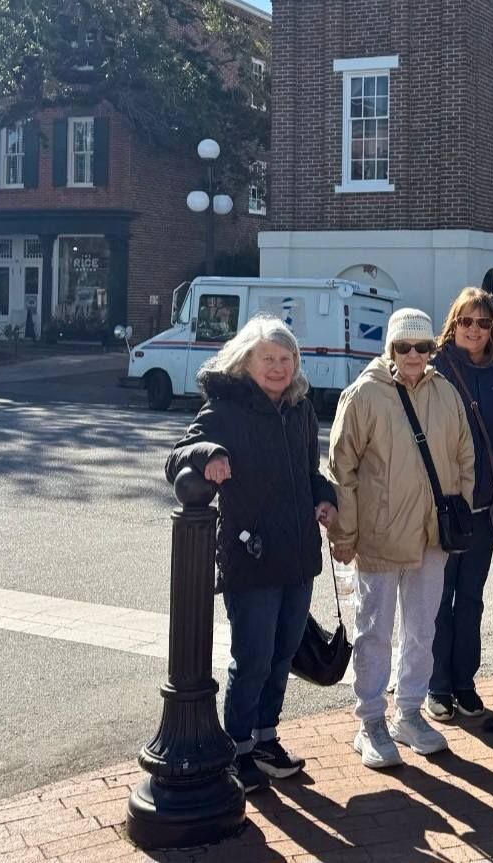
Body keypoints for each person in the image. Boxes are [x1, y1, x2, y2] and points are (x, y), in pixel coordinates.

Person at [165, 314, 337, 793]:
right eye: (268, 359)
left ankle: (266, 738)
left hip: (299, 555)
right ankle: (236, 747)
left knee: (283, 654)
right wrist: (209, 454)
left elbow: (309, 473)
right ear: (247, 361)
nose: (278, 368)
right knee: (253, 659)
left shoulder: (300, 409)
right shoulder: (228, 407)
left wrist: (326, 497)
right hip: (252, 558)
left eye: (286, 359)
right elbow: (178, 454)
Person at [327, 307, 475, 769]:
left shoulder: (446, 393)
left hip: (431, 536)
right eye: (403, 346)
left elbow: (465, 458)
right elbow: (340, 470)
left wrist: (459, 512)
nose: (414, 355)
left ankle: (409, 712)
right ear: (389, 348)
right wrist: (345, 534)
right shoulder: (362, 396)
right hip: (379, 536)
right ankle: (369, 719)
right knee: (373, 632)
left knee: (422, 629)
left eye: (422, 346)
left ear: (432, 349)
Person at [425, 287, 493, 723]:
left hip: (484, 507)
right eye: (466, 321)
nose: (474, 330)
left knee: (472, 599)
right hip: (443, 505)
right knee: (439, 599)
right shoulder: (433, 370)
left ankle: (465, 682)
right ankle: (437, 684)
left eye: (483, 322)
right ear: (453, 323)